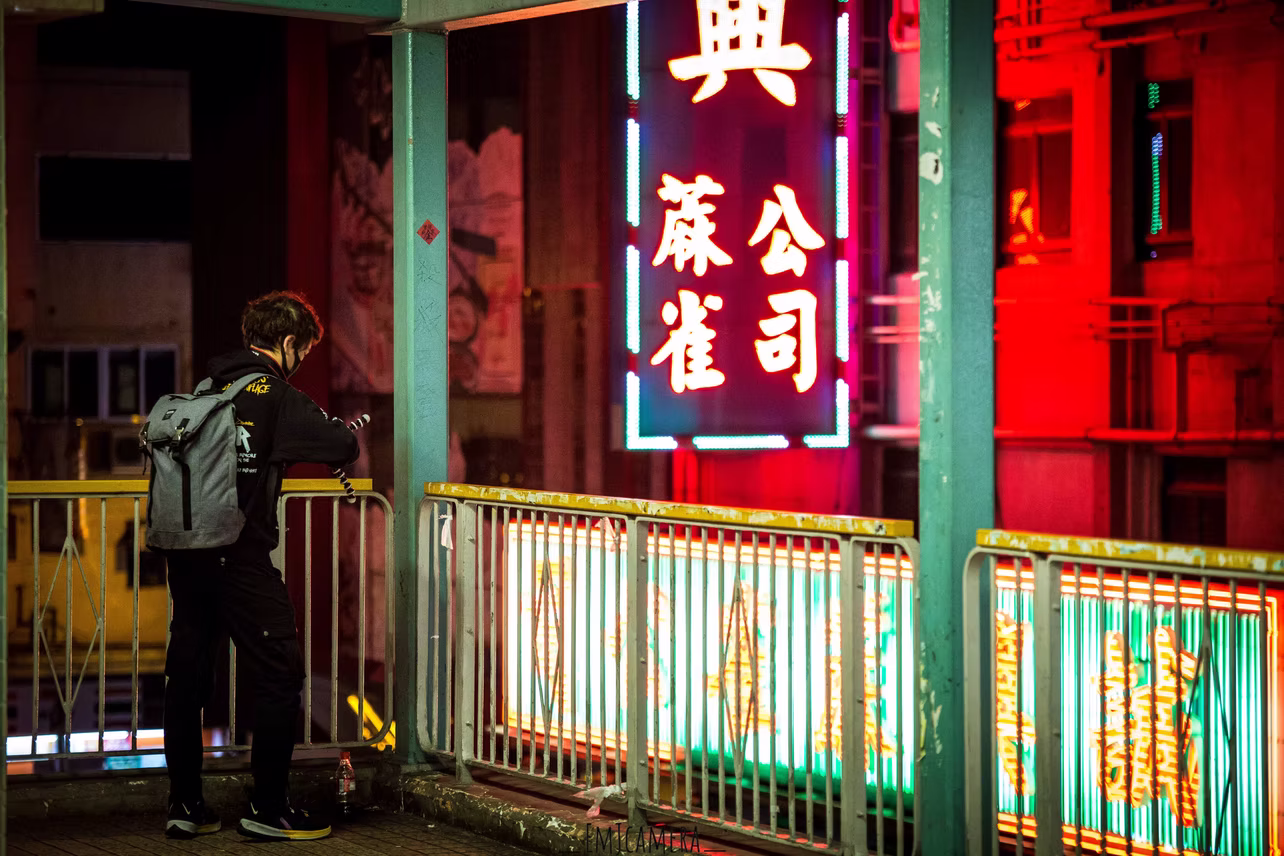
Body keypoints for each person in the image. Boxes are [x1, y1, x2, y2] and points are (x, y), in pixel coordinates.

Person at [162, 292, 359, 841]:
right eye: (303, 352)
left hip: (188, 557)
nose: (300, 363)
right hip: (240, 557)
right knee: (279, 673)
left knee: (189, 678)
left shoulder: (208, 389)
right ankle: (268, 808)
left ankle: (186, 805)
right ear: (288, 343)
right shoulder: (275, 394)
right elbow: (341, 444)